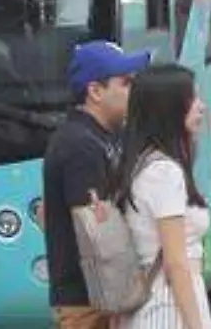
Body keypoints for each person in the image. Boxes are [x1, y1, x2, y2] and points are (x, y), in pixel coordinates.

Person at [44, 41, 150, 329]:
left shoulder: (103, 136)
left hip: (101, 297)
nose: (133, 91)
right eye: (126, 83)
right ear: (95, 91)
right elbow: (96, 233)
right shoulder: (80, 145)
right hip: (90, 301)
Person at [110, 64, 211, 329]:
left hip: (158, 302)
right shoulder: (164, 173)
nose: (201, 107)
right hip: (169, 308)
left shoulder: (142, 162)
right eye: (193, 100)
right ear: (169, 109)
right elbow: (176, 263)